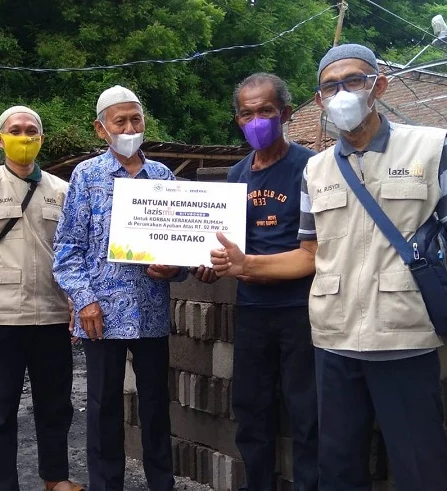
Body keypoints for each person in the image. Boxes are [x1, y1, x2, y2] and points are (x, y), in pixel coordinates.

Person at [211, 44, 447, 491]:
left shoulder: (429, 146)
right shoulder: (317, 170)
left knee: (423, 469)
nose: (342, 93)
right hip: (334, 342)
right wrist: (246, 264)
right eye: (330, 86)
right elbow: (308, 255)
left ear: (378, 85)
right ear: (320, 99)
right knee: (339, 472)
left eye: (354, 81)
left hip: (402, 337)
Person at [52, 85, 184, 491]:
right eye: (120, 121)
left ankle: (162, 483)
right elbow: (67, 248)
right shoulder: (86, 177)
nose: (130, 127)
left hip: (151, 312)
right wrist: (85, 300)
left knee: (156, 405)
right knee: (104, 407)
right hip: (102, 315)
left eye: (136, 119)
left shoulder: (162, 176)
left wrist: (174, 270)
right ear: (101, 128)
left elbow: (179, 246)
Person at [194, 73, 318, 491]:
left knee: (307, 411)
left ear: (284, 113)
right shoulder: (236, 176)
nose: (256, 120)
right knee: (252, 407)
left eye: (266, 111)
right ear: (237, 120)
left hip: (300, 309)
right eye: (247, 113)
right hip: (252, 309)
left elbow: (316, 252)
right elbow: (230, 246)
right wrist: (210, 265)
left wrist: (243, 264)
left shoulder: (311, 166)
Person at [0, 106, 82, 491]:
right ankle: (3, 484)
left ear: (41, 139)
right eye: (15, 130)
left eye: (31, 131)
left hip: (53, 315)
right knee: (1, 410)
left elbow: (73, 250)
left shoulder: (62, 190)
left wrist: (76, 301)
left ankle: (56, 479)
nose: (23, 137)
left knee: (56, 406)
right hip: (2, 316)